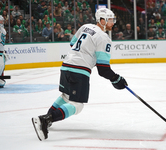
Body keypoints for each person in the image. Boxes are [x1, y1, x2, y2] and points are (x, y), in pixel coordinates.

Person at [32, 8, 128, 141]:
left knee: (66, 96)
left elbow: (73, 43)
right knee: (77, 105)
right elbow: (103, 69)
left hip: (66, 65)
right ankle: (46, 119)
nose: (113, 23)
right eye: (110, 20)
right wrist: (116, 79)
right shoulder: (103, 37)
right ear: (102, 20)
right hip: (79, 70)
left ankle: (48, 118)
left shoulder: (85, 27)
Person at [0, 15, 7, 88]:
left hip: (1, 52)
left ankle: (0, 79)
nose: (2, 22)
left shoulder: (2, 29)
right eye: (0, 20)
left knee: (1, 68)